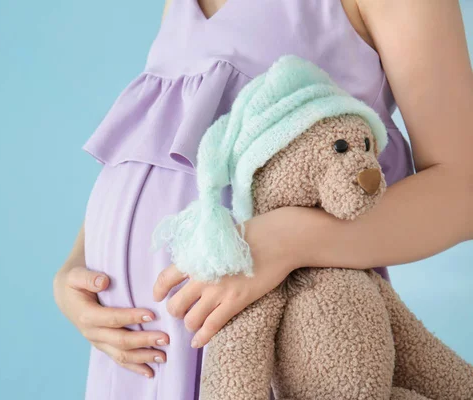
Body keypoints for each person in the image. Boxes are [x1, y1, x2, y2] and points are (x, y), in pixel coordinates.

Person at [53, 0, 473, 399]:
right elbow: (156, 144)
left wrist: (293, 239)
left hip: (284, 341)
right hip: (134, 359)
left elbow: (464, 190)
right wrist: (80, 262)